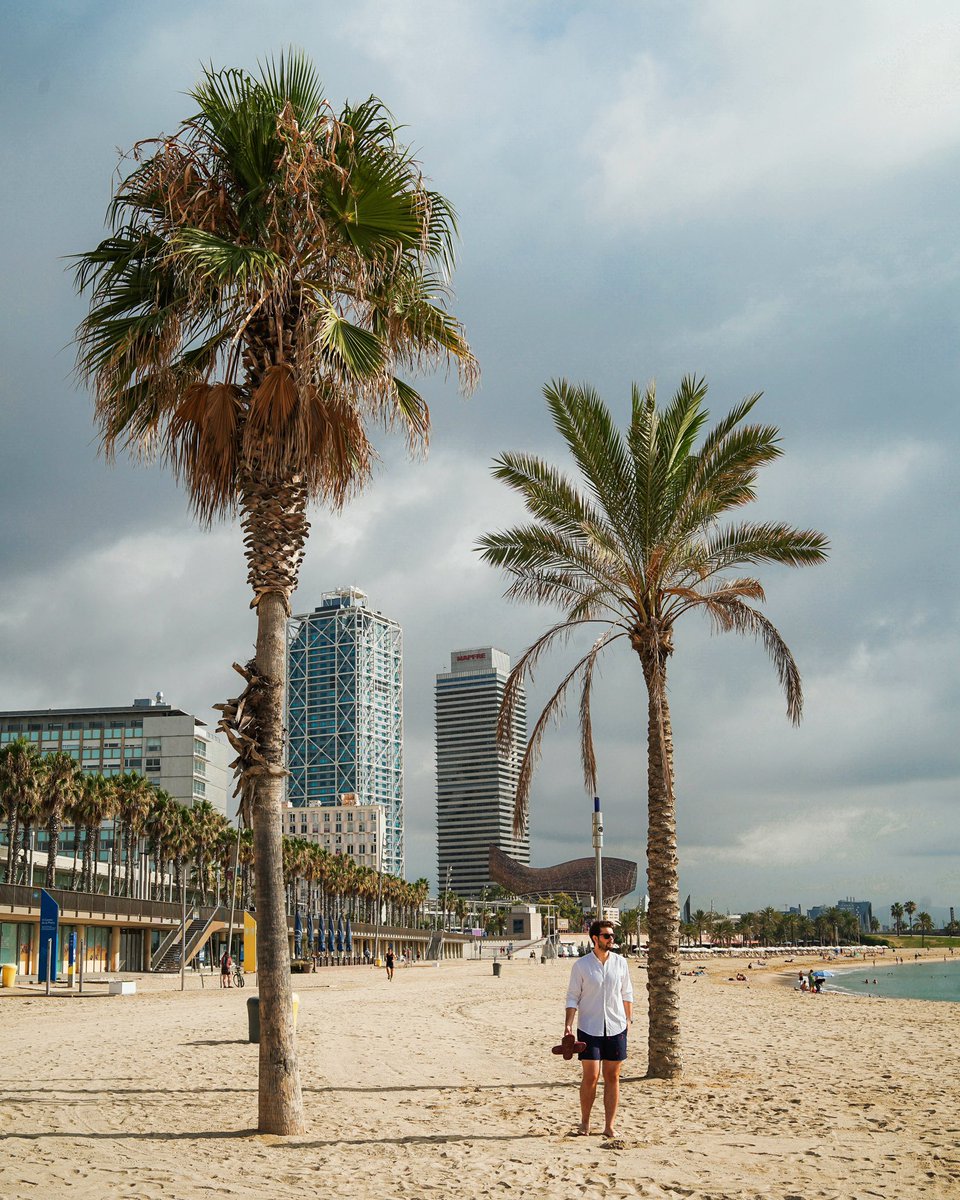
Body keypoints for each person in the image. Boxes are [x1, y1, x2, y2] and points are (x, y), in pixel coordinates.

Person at [564, 919, 633, 1138]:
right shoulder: (581, 965)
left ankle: (609, 1125)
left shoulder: (621, 963)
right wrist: (568, 1025)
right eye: (606, 936)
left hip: (616, 1026)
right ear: (595, 938)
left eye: (612, 936)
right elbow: (573, 997)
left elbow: (627, 993)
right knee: (591, 1076)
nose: (611, 939)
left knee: (613, 1077)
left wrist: (628, 1020)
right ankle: (584, 1123)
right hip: (589, 1027)